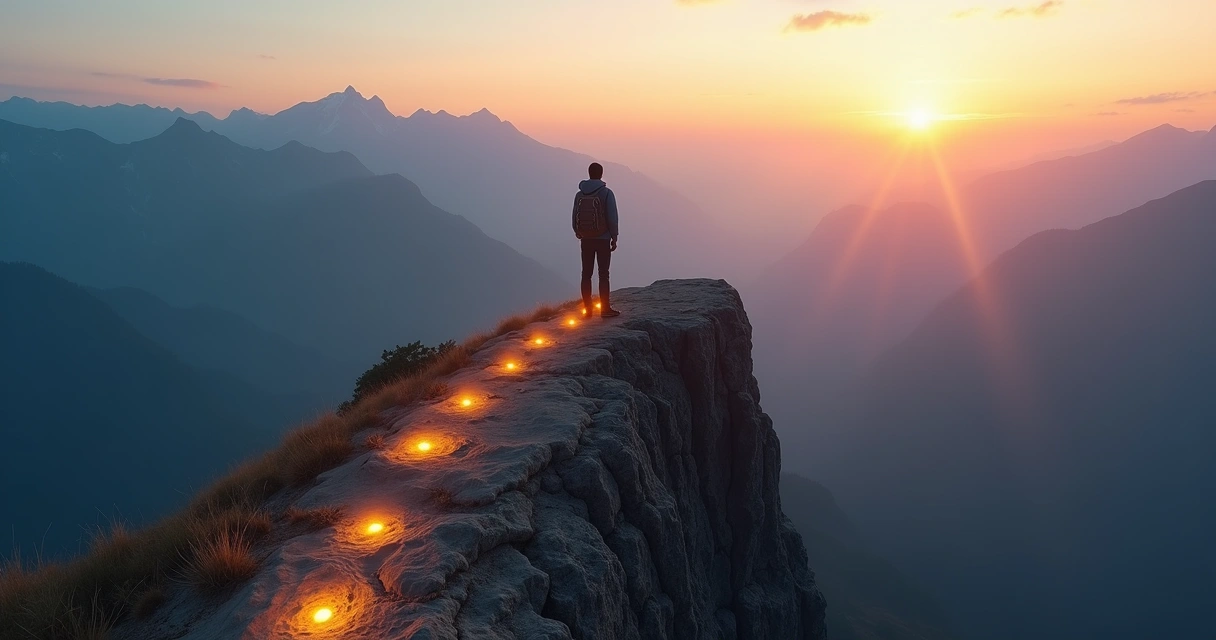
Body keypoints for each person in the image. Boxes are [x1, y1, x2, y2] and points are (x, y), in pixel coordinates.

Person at [571, 162, 620, 317]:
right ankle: (605, 309)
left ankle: (587, 310)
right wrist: (614, 236)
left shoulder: (579, 194)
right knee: (603, 274)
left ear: (589, 173)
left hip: (586, 239)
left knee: (586, 274)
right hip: (603, 238)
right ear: (601, 174)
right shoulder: (606, 193)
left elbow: (574, 216)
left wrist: (578, 232)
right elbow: (612, 217)